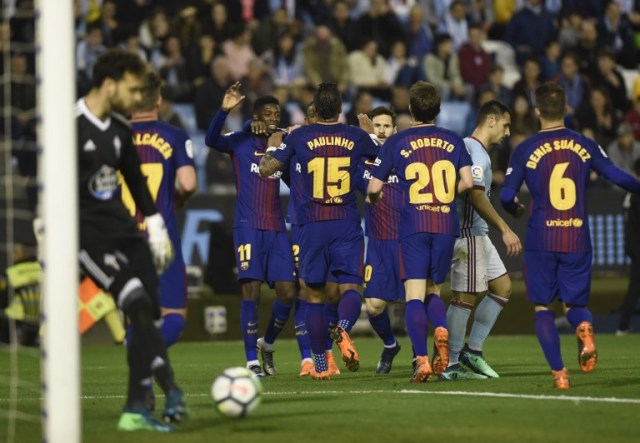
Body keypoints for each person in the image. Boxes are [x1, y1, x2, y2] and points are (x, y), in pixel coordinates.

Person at [500, 82, 640, 389]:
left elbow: (507, 193)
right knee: (574, 305)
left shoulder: (524, 148)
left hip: (541, 238)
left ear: (537, 111)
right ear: (566, 109)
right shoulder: (583, 143)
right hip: (576, 236)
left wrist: (514, 208)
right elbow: (615, 174)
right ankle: (585, 326)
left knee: (542, 308)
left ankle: (560, 375)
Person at [77, 48, 185, 431]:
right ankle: (170, 389)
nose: (136, 96)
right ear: (110, 85)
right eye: (131, 88)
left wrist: (155, 226)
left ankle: (137, 408)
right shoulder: (70, 127)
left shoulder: (121, 130)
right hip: (90, 239)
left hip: (130, 235)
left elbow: (138, 187)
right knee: (136, 303)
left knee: (148, 317)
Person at [259, 82, 378, 379]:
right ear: (340, 109)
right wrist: (370, 133)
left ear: (314, 107)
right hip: (346, 221)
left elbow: (265, 168)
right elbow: (382, 158)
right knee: (352, 287)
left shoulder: (300, 136)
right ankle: (343, 328)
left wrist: (273, 146)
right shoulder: (355, 135)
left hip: (311, 224)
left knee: (313, 295)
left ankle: (320, 365)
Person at [367, 81, 473, 383]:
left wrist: (374, 197)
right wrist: (442, 195)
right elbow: (466, 183)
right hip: (444, 224)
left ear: (410, 109)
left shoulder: (397, 142)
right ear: (437, 109)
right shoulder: (453, 140)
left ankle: (423, 361)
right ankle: (440, 327)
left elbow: (375, 187)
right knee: (434, 291)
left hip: (413, 225)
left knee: (413, 294)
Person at [204, 84, 297, 377]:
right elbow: (210, 139)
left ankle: (266, 344)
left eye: (277, 113)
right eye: (267, 113)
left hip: (276, 228)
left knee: (287, 293)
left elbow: (294, 183)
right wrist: (225, 110)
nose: (272, 117)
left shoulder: (282, 147)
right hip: (247, 227)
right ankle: (251, 361)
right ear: (256, 116)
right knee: (251, 291)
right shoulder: (241, 140)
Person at [440, 100, 522, 381]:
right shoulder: (475, 152)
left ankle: (472, 350)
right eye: (505, 124)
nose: (507, 132)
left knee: (503, 288)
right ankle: (450, 364)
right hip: (469, 235)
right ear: (491, 120)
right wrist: (505, 228)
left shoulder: (474, 149)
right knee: (464, 298)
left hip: (479, 234)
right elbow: (475, 195)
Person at [124, 70, 197, 350]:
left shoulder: (116, 136)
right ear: (159, 100)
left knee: (134, 315)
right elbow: (189, 183)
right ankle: (145, 357)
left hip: (125, 238)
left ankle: (139, 377)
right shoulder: (173, 135)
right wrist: (178, 198)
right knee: (174, 318)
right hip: (160, 238)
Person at [355, 107, 404, 374]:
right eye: (377, 126)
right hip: (378, 241)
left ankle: (424, 355)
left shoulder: (405, 156)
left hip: (409, 240)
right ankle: (390, 345)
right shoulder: (362, 162)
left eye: (387, 126)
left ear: (395, 130)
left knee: (419, 300)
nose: (382, 130)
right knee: (374, 305)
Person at [617, 158, 640, 335]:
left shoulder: (630, 194)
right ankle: (623, 325)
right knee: (634, 287)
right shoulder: (636, 194)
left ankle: (623, 324)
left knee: (635, 286)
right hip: (637, 246)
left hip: (633, 245)